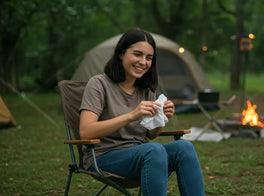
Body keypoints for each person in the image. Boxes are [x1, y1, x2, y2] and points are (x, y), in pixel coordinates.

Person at [79, 28, 205, 196]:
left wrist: (162, 117)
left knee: (184, 147)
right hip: (103, 156)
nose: (143, 62)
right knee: (154, 150)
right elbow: (86, 132)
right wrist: (132, 115)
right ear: (121, 53)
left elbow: (151, 135)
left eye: (149, 58)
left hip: (142, 154)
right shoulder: (99, 84)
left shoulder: (146, 89)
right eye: (137, 54)